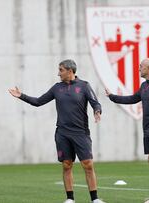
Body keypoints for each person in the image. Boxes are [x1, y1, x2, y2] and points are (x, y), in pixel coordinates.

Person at [9, 59, 106, 203]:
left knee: (88, 164)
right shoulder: (56, 88)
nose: (58, 73)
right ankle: (70, 199)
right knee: (67, 165)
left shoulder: (84, 86)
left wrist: (97, 111)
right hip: (62, 133)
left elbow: (95, 102)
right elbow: (38, 102)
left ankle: (95, 199)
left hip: (81, 133)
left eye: (61, 70)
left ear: (70, 71)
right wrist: (21, 96)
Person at [105, 58, 149, 203]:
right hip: (148, 129)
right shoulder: (144, 86)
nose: (138, 69)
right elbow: (133, 99)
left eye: (141, 66)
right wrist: (113, 97)